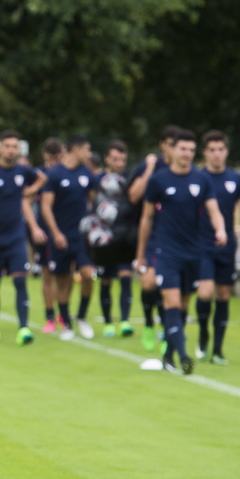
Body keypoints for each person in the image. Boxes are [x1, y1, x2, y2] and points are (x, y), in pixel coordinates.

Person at [135, 129, 226, 375]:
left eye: (191, 150)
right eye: (183, 149)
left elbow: (214, 210)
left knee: (184, 304)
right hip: (167, 252)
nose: (187, 154)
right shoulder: (159, 181)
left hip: (193, 253)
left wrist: (221, 229)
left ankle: (167, 355)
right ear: (172, 150)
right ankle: (183, 355)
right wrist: (141, 253)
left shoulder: (201, 180)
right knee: (172, 301)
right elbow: (146, 218)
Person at [0, 129, 47, 345]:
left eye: (15, 147)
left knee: (20, 280)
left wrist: (30, 191)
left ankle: (23, 328)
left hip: (16, 237)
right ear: (0, 148)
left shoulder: (23, 171)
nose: (12, 150)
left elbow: (42, 178)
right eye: (8, 146)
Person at [194, 130, 240, 365]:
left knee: (224, 295)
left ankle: (218, 350)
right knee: (205, 292)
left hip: (227, 245)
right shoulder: (198, 178)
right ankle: (202, 335)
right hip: (202, 244)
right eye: (212, 150)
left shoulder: (236, 179)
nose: (216, 154)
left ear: (226, 151)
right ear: (205, 153)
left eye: (220, 149)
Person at [127, 124, 181, 351]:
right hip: (151, 235)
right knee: (149, 283)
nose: (175, 150)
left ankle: (166, 332)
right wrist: (149, 169)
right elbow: (133, 196)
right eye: (170, 145)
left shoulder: (186, 172)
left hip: (176, 237)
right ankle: (149, 323)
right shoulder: (152, 166)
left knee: (167, 288)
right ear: (162, 145)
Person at [40, 135, 97, 341]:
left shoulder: (86, 172)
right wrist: (55, 233)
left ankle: (81, 316)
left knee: (88, 275)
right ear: (76, 149)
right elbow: (46, 206)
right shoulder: (55, 174)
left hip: (82, 236)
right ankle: (66, 324)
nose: (89, 154)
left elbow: (93, 200)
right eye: (87, 150)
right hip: (61, 236)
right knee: (62, 281)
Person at [95, 140, 134, 338]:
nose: (119, 163)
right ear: (107, 159)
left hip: (125, 237)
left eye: (122, 160)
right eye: (115, 159)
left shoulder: (129, 179)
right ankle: (108, 322)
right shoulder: (98, 179)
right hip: (104, 237)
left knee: (126, 278)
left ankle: (125, 321)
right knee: (106, 280)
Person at [35, 138, 66, 333]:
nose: (55, 161)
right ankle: (49, 317)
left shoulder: (66, 173)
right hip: (44, 230)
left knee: (65, 274)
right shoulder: (38, 174)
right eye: (52, 158)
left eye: (59, 157)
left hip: (65, 229)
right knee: (47, 274)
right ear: (45, 156)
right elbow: (26, 196)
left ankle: (64, 314)